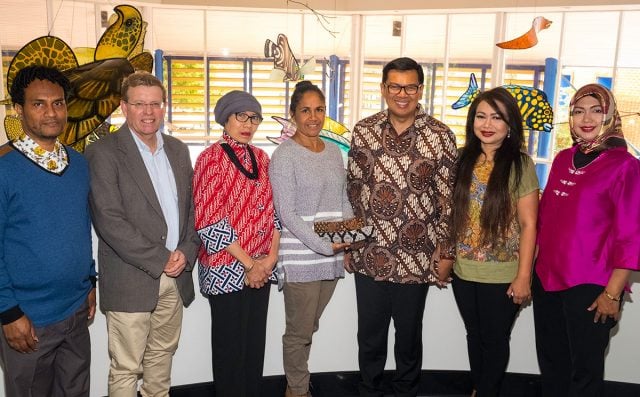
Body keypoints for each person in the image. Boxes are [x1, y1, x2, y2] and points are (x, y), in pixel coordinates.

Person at [346, 57, 457, 396]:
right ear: (383, 89)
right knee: (370, 338)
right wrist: (351, 243)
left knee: (408, 339)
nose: (402, 94)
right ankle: (369, 390)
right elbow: (353, 190)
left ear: (420, 90)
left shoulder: (440, 136)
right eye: (395, 86)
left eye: (410, 86)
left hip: (417, 257)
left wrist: (446, 251)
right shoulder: (364, 131)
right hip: (370, 254)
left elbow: (448, 201)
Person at [85, 71, 200, 397]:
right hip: (131, 277)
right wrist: (163, 258)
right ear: (124, 107)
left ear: (164, 107)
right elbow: (109, 220)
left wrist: (187, 252)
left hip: (176, 275)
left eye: (155, 104)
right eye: (139, 104)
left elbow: (193, 209)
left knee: (162, 358)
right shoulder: (104, 152)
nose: (148, 112)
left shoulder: (178, 150)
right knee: (126, 367)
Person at [533, 83, 640, 397]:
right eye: (578, 111)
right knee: (552, 364)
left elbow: (631, 233)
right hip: (547, 279)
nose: (586, 118)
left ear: (608, 114)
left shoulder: (626, 166)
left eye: (596, 110)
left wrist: (613, 293)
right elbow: (544, 221)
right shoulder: (563, 158)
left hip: (593, 285)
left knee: (585, 371)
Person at [0, 65, 96, 397]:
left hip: (75, 310)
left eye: (58, 103)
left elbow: (80, 226)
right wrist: (8, 312)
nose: (51, 112)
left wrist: (90, 281)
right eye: (38, 104)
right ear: (18, 109)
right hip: (27, 318)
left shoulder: (78, 163)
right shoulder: (4, 167)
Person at [440, 87, 538, 397]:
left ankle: (485, 391)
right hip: (465, 272)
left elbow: (529, 223)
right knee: (474, 336)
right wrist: (447, 258)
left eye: (497, 117)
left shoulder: (521, 165)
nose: (487, 124)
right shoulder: (460, 159)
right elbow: (450, 216)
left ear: (510, 124)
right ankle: (479, 389)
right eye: (481, 116)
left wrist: (524, 276)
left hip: (504, 275)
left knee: (495, 340)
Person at [193, 90, 280, 397]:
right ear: (225, 119)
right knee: (230, 352)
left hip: (262, 268)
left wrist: (269, 260)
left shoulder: (262, 158)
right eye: (240, 116)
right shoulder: (209, 159)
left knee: (254, 348)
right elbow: (209, 222)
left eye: (254, 117)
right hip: (227, 267)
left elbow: (275, 214)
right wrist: (250, 264)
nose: (248, 123)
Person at [269, 81, 352, 397]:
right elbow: (287, 213)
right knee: (299, 334)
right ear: (293, 115)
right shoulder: (284, 155)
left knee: (307, 328)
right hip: (302, 259)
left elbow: (342, 199)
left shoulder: (332, 151)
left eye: (319, 110)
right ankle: (299, 391)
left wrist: (347, 236)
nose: (313, 117)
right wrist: (323, 245)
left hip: (329, 257)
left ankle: (295, 387)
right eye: (305, 110)